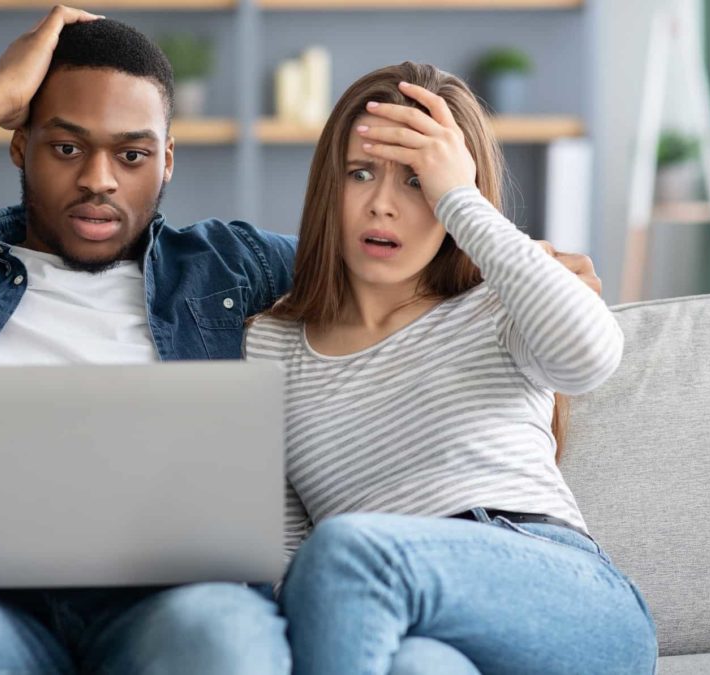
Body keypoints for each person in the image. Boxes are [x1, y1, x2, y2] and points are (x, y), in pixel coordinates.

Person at [0, 5, 603, 672]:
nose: (100, 179)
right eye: (65, 147)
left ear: (168, 162)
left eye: (133, 154)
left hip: (178, 609)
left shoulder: (232, 271)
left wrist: (520, 270)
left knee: (222, 634)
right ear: (17, 146)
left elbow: (388, 258)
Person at [243, 62, 658, 675]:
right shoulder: (270, 343)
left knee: (349, 549)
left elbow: (592, 357)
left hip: (564, 594)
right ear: (329, 187)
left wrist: (461, 197)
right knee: (414, 664)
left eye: (417, 183)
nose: (382, 205)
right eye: (361, 174)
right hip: (397, 613)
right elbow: (284, 556)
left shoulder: (498, 302)